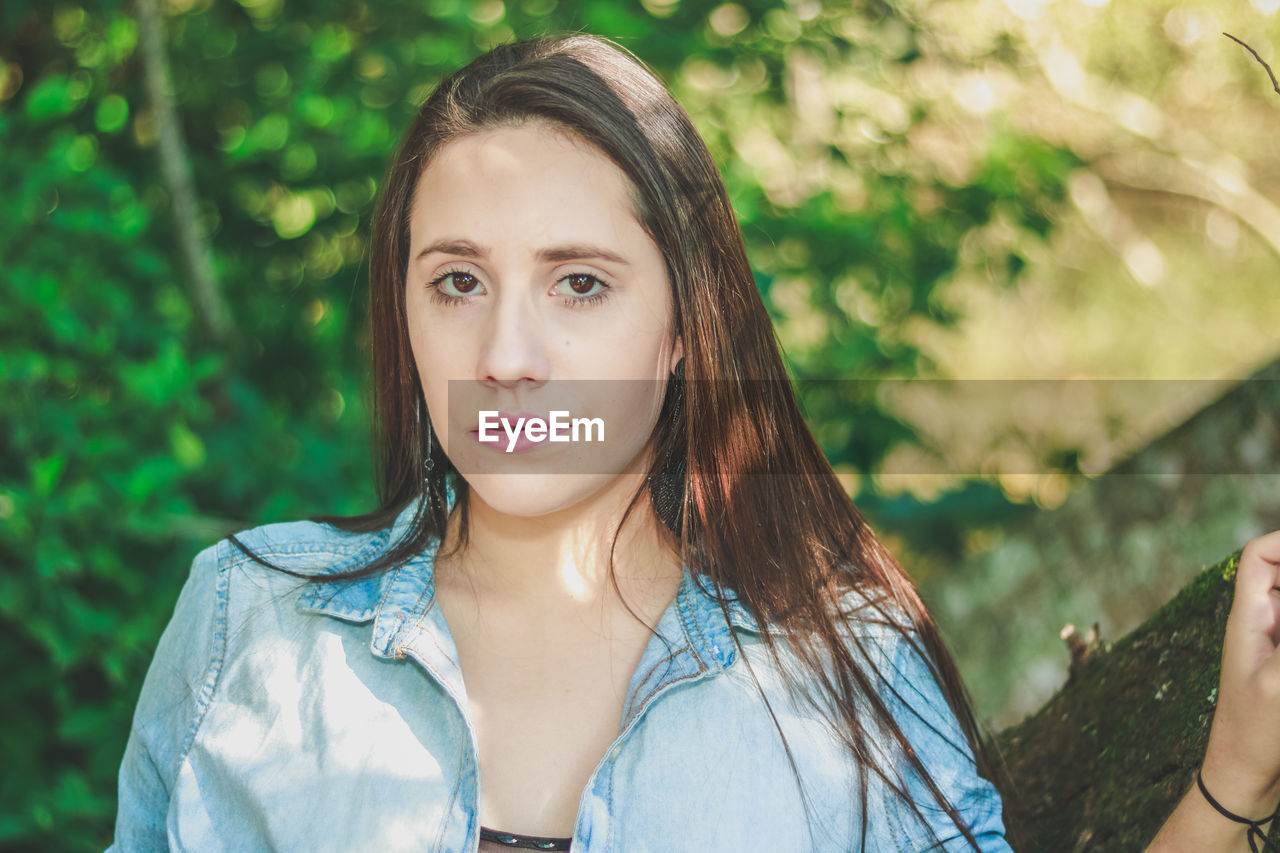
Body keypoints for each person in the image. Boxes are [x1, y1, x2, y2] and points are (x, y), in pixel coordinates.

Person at [108, 33, 1280, 852]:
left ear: (681, 331)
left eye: (577, 283)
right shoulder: (246, 621)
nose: (506, 352)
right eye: (456, 280)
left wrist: (1231, 780)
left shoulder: (841, 670)